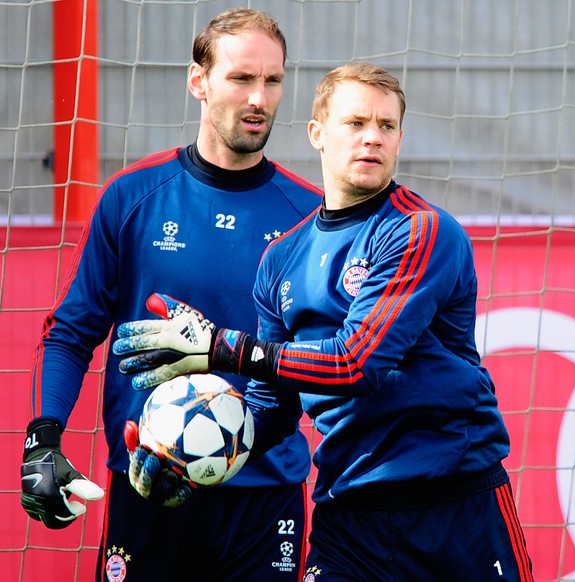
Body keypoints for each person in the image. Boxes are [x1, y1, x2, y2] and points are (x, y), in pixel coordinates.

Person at [113, 62, 534, 581]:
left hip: (453, 508)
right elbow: (272, 407)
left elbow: (357, 364)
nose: (372, 138)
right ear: (317, 134)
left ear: (400, 139)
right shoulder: (282, 258)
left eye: (385, 126)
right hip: (347, 518)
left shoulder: (421, 231)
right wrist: (187, 451)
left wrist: (223, 347)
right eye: (356, 123)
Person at [20, 8, 322, 581]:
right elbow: (70, 331)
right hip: (147, 484)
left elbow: (329, 361)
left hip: (265, 496)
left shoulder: (309, 216)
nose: (259, 97)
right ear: (198, 81)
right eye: (240, 78)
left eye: (273, 80)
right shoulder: (132, 197)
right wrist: (43, 438)